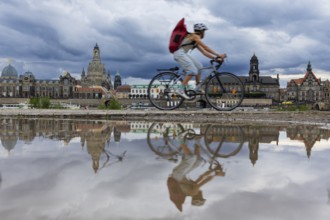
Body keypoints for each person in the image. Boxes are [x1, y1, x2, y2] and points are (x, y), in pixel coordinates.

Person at [173, 23, 227, 99]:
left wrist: (215, 58)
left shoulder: (195, 40)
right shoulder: (195, 36)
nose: (205, 33)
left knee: (199, 67)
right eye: (204, 31)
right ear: (201, 31)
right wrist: (218, 55)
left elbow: (204, 52)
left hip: (182, 54)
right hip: (179, 53)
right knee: (192, 71)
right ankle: (180, 89)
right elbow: (205, 47)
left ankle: (197, 86)